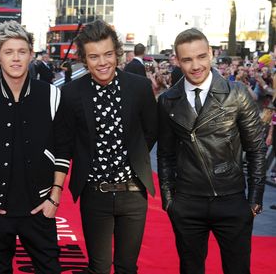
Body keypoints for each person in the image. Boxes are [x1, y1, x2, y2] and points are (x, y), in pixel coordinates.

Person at [157, 28, 266, 274]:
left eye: (201, 57)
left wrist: (254, 201)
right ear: (177, 60)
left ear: (211, 54)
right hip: (187, 202)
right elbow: (166, 154)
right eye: (187, 59)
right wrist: (169, 201)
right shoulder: (168, 100)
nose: (196, 66)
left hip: (231, 200)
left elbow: (256, 148)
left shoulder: (236, 93)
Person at [54, 19, 157, 274]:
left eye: (108, 54)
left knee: (127, 267)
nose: (102, 63)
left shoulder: (139, 87)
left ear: (117, 53)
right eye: (94, 57)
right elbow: (64, 144)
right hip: (94, 194)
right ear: (84, 60)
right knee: (98, 268)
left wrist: (133, 155)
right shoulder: (71, 93)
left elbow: (152, 130)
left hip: (133, 194)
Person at [0, 20, 62, 273]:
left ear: (31, 55)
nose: (15, 59)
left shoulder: (52, 95)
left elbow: (63, 147)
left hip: (40, 207)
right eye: (8, 52)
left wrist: (55, 196)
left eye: (21, 51)